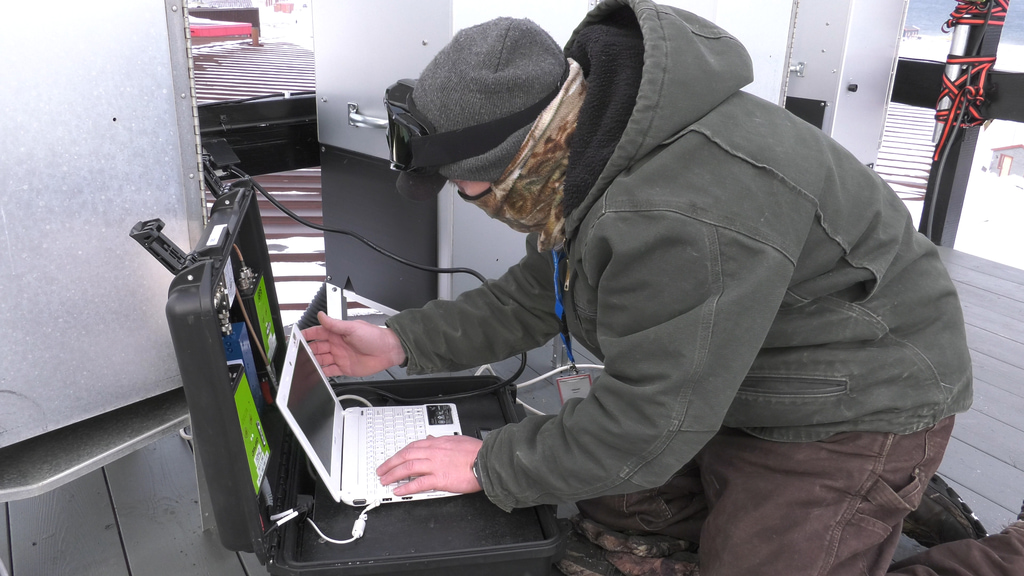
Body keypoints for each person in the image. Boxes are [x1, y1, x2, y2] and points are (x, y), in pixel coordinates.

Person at [301, 2, 1024, 574]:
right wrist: (398, 340)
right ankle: (866, 506)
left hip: (856, 399)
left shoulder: (675, 212)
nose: (461, 194)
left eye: (465, 183)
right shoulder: (599, 143)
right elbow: (538, 291)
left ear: (527, 150)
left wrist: (492, 464)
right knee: (611, 497)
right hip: (742, 373)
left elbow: (655, 418)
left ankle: (896, 494)